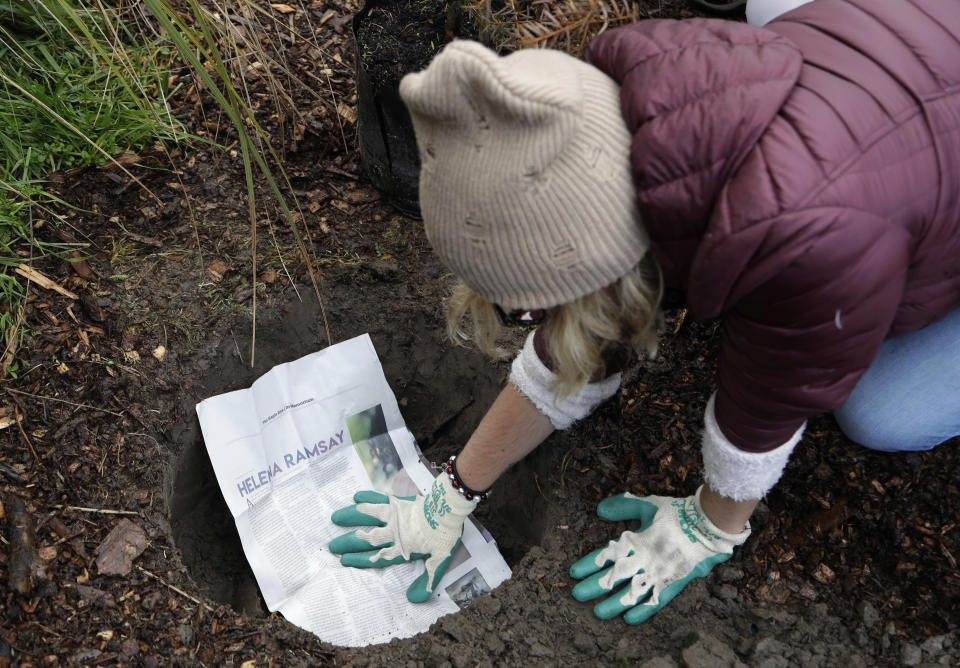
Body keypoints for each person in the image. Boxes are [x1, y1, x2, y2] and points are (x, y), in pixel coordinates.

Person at [329, 0, 960, 623]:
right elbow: (597, 311)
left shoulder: (808, 246)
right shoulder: (618, 91)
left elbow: (770, 401)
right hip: (913, 61)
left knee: (880, 415)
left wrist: (709, 526)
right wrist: (456, 490)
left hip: (874, 184)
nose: (536, 323)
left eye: (531, 309)